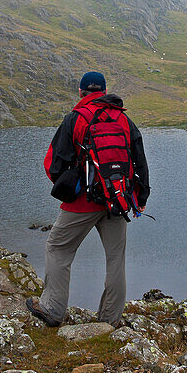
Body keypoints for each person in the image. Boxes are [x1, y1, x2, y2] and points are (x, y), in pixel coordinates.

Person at [26, 71, 150, 327]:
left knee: (59, 249)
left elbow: (53, 164)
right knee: (115, 259)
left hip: (81, 202)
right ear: (104, 91)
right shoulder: (124, 120)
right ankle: (110, 320)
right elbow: (140, 162)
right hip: (118, 201)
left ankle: (52, 309)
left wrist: (71, 189)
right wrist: (141, 196)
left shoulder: (75, 119)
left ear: (81, 92)